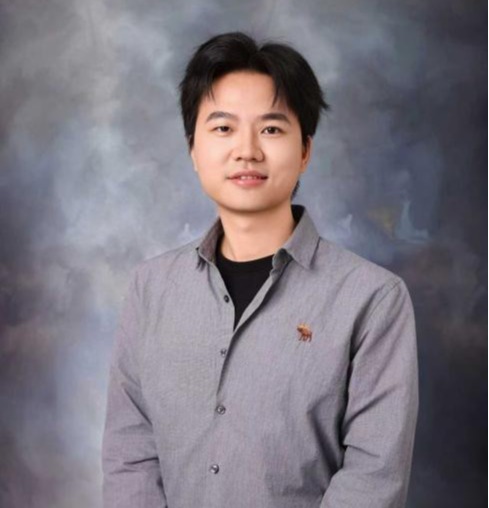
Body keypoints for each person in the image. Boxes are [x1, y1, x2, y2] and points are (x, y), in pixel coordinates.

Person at [102, 31, 419, 508]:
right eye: (223, 128)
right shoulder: (151, 289)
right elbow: (131, 455)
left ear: (305, 150)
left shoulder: (372, 299)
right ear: (194, 150)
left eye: (271, 129)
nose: (246, 150)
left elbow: (374, 477)